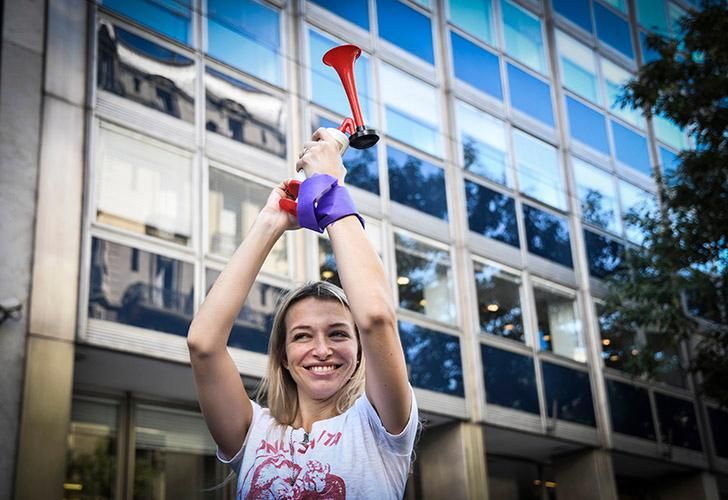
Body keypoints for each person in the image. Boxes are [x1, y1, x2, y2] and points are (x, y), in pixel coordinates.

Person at [187, 128, 418, 499]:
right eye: (302, 335)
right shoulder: (252, 432)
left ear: (362, 350)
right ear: (283, 354)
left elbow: (375, 317)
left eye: (339, 333)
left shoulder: (381, 428)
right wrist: (269, 222)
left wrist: (331, 188)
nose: (322, 349)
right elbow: (202, 344)